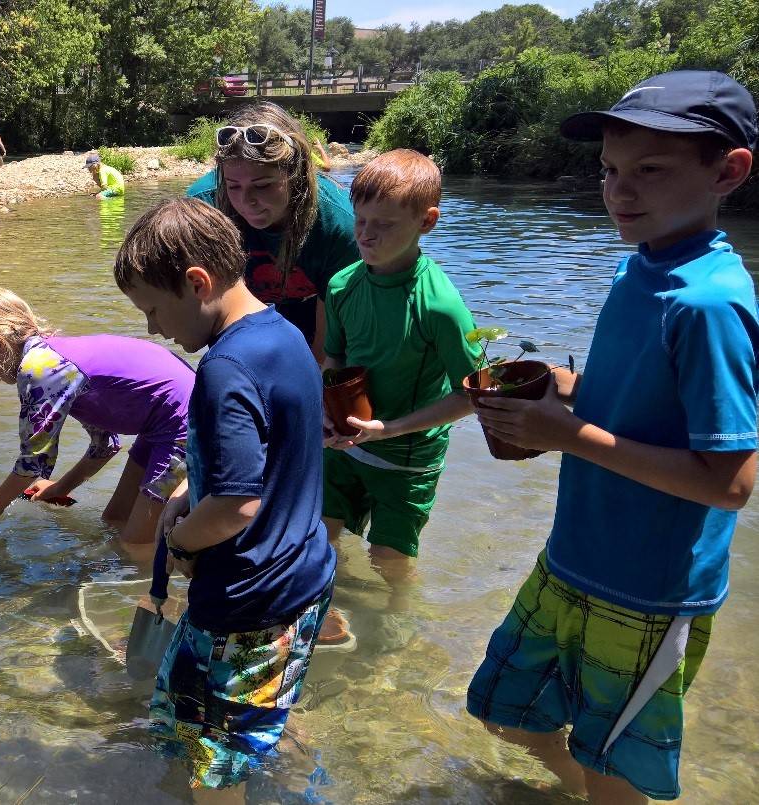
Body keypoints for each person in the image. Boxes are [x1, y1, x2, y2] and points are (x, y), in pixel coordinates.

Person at [468, 71, 757, 803]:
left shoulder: (709, 303)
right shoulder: (640, 268)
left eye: (650, 171)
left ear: (728, 171)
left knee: (615, 772)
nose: (619, 191)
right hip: (572, 559)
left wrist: (566, 435)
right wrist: (554, 394)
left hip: (649, 591)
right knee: (506, 711)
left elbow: (730, 482)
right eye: (609, 170)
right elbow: (629, 405)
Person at [113, 198, 337, 795]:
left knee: (211, 761)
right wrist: (193, 487)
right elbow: (275, 453)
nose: (154, 329)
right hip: (301, 576)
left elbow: (239, 505)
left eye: (154, 309)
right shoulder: (283, 332)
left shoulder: (224, 368)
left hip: (249, 602)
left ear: (196, 283)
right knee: (236, 717)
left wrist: (178, 539)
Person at [321, 149, 480, 616]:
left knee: (389, 560)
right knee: (322, 534)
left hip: (407, 458)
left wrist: (389, 429)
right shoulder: (342, 286)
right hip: (346, 445)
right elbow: (335, 358)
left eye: (385, 225)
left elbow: (471, 394)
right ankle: (330, 610)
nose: (367, 235)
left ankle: (395, 629)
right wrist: (325, 417)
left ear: (427, 222)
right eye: (360, 220)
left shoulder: (439, 305)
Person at [0, 287, 194, 547]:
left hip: (186, 423)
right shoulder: (55, 359)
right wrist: (59, 489)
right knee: (114, 521)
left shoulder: (41, 371)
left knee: (135, 547)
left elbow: (33, 461)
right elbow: (105, 446)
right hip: (162, 423)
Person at [186, 102, 360, 362]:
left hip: (312, 309)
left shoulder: (338, 223)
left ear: (296, 173)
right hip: (241, 314)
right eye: (234, 186)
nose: (246, 200)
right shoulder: (202, 210)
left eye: (263, 185)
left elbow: (330, 347)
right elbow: (201, 314)